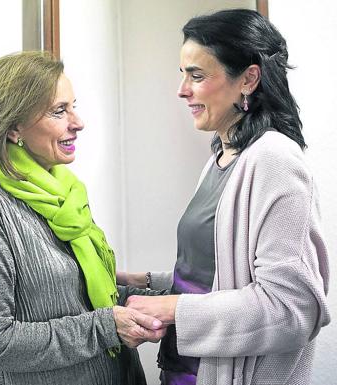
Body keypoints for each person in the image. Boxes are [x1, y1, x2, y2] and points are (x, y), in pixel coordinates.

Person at [118, 9, 330, 385]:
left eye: (197, 76)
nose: (182, 89)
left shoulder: (275, 161)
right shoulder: (222, 155)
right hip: (184, 370)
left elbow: (290, 309)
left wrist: (173, 308)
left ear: (248, 79)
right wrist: (148, 281)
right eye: (183, 74)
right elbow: (218, 275)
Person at [0, 51, 167, 385]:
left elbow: (86, 300)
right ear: (13, 128)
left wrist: (173, 300)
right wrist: (107, 327)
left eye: (72, 106)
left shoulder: (66, 194)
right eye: (59, 111)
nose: (77, 122)